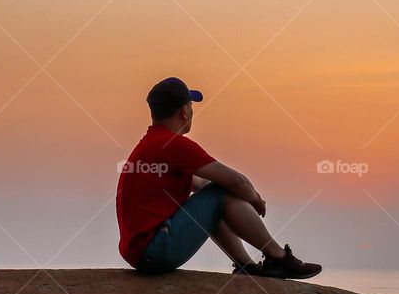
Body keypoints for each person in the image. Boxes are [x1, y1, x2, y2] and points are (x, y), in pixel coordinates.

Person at [116, 78, 322, 280]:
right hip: (156, 251)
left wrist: (236, 193)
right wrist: (254, 199)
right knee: (219, 192)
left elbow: (201, 184)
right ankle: (279, 257)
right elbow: (235, 181)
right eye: (190, 105)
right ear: (184, 111)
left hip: (144, 254)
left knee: (217, 194)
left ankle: (245, 265)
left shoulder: (152, 145)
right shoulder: (172, 144)